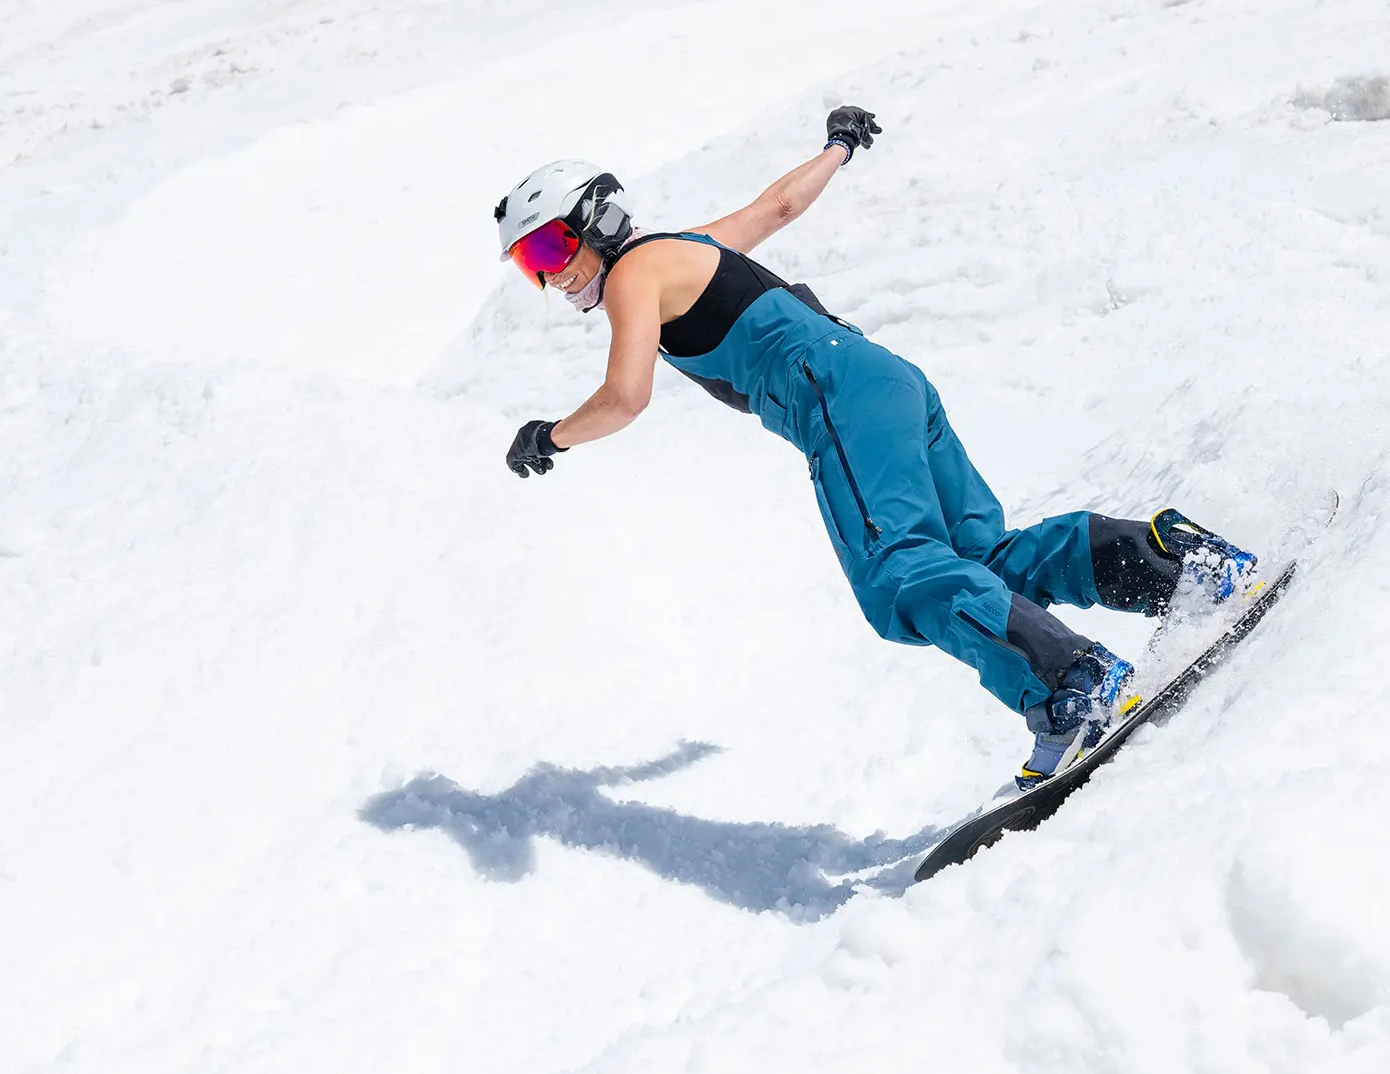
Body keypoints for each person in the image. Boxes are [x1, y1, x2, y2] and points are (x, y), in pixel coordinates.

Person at [492, 108, 1260, 791]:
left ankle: (1075, 682)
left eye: (553, 247)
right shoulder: (684, 248)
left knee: (901, 578)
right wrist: (838, 147)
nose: (552, 275)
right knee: (977, 561)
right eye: (532, 266)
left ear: (597, 220)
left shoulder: (633, 274)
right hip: (888, 380)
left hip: (836, 395)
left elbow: (626, 396)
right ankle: (1181, 568)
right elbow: (778, 206)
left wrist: (548, 436)